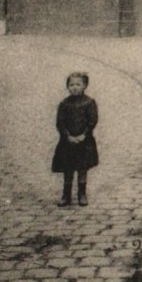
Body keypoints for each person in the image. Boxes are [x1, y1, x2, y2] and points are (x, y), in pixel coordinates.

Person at [51, 72, 98, 207]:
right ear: (67, 87)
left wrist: (84, 135)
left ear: (85, 86)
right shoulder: (64, 104)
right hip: (67, 143)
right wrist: (67, 136)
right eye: (71, 85)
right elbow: (60, 123)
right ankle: (66, 194)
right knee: (68, 168)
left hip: (84, 141)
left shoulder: (89, 103)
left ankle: (82, 194)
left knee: (82, 167)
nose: (75, 87)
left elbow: (92, 121)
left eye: (78, 84)